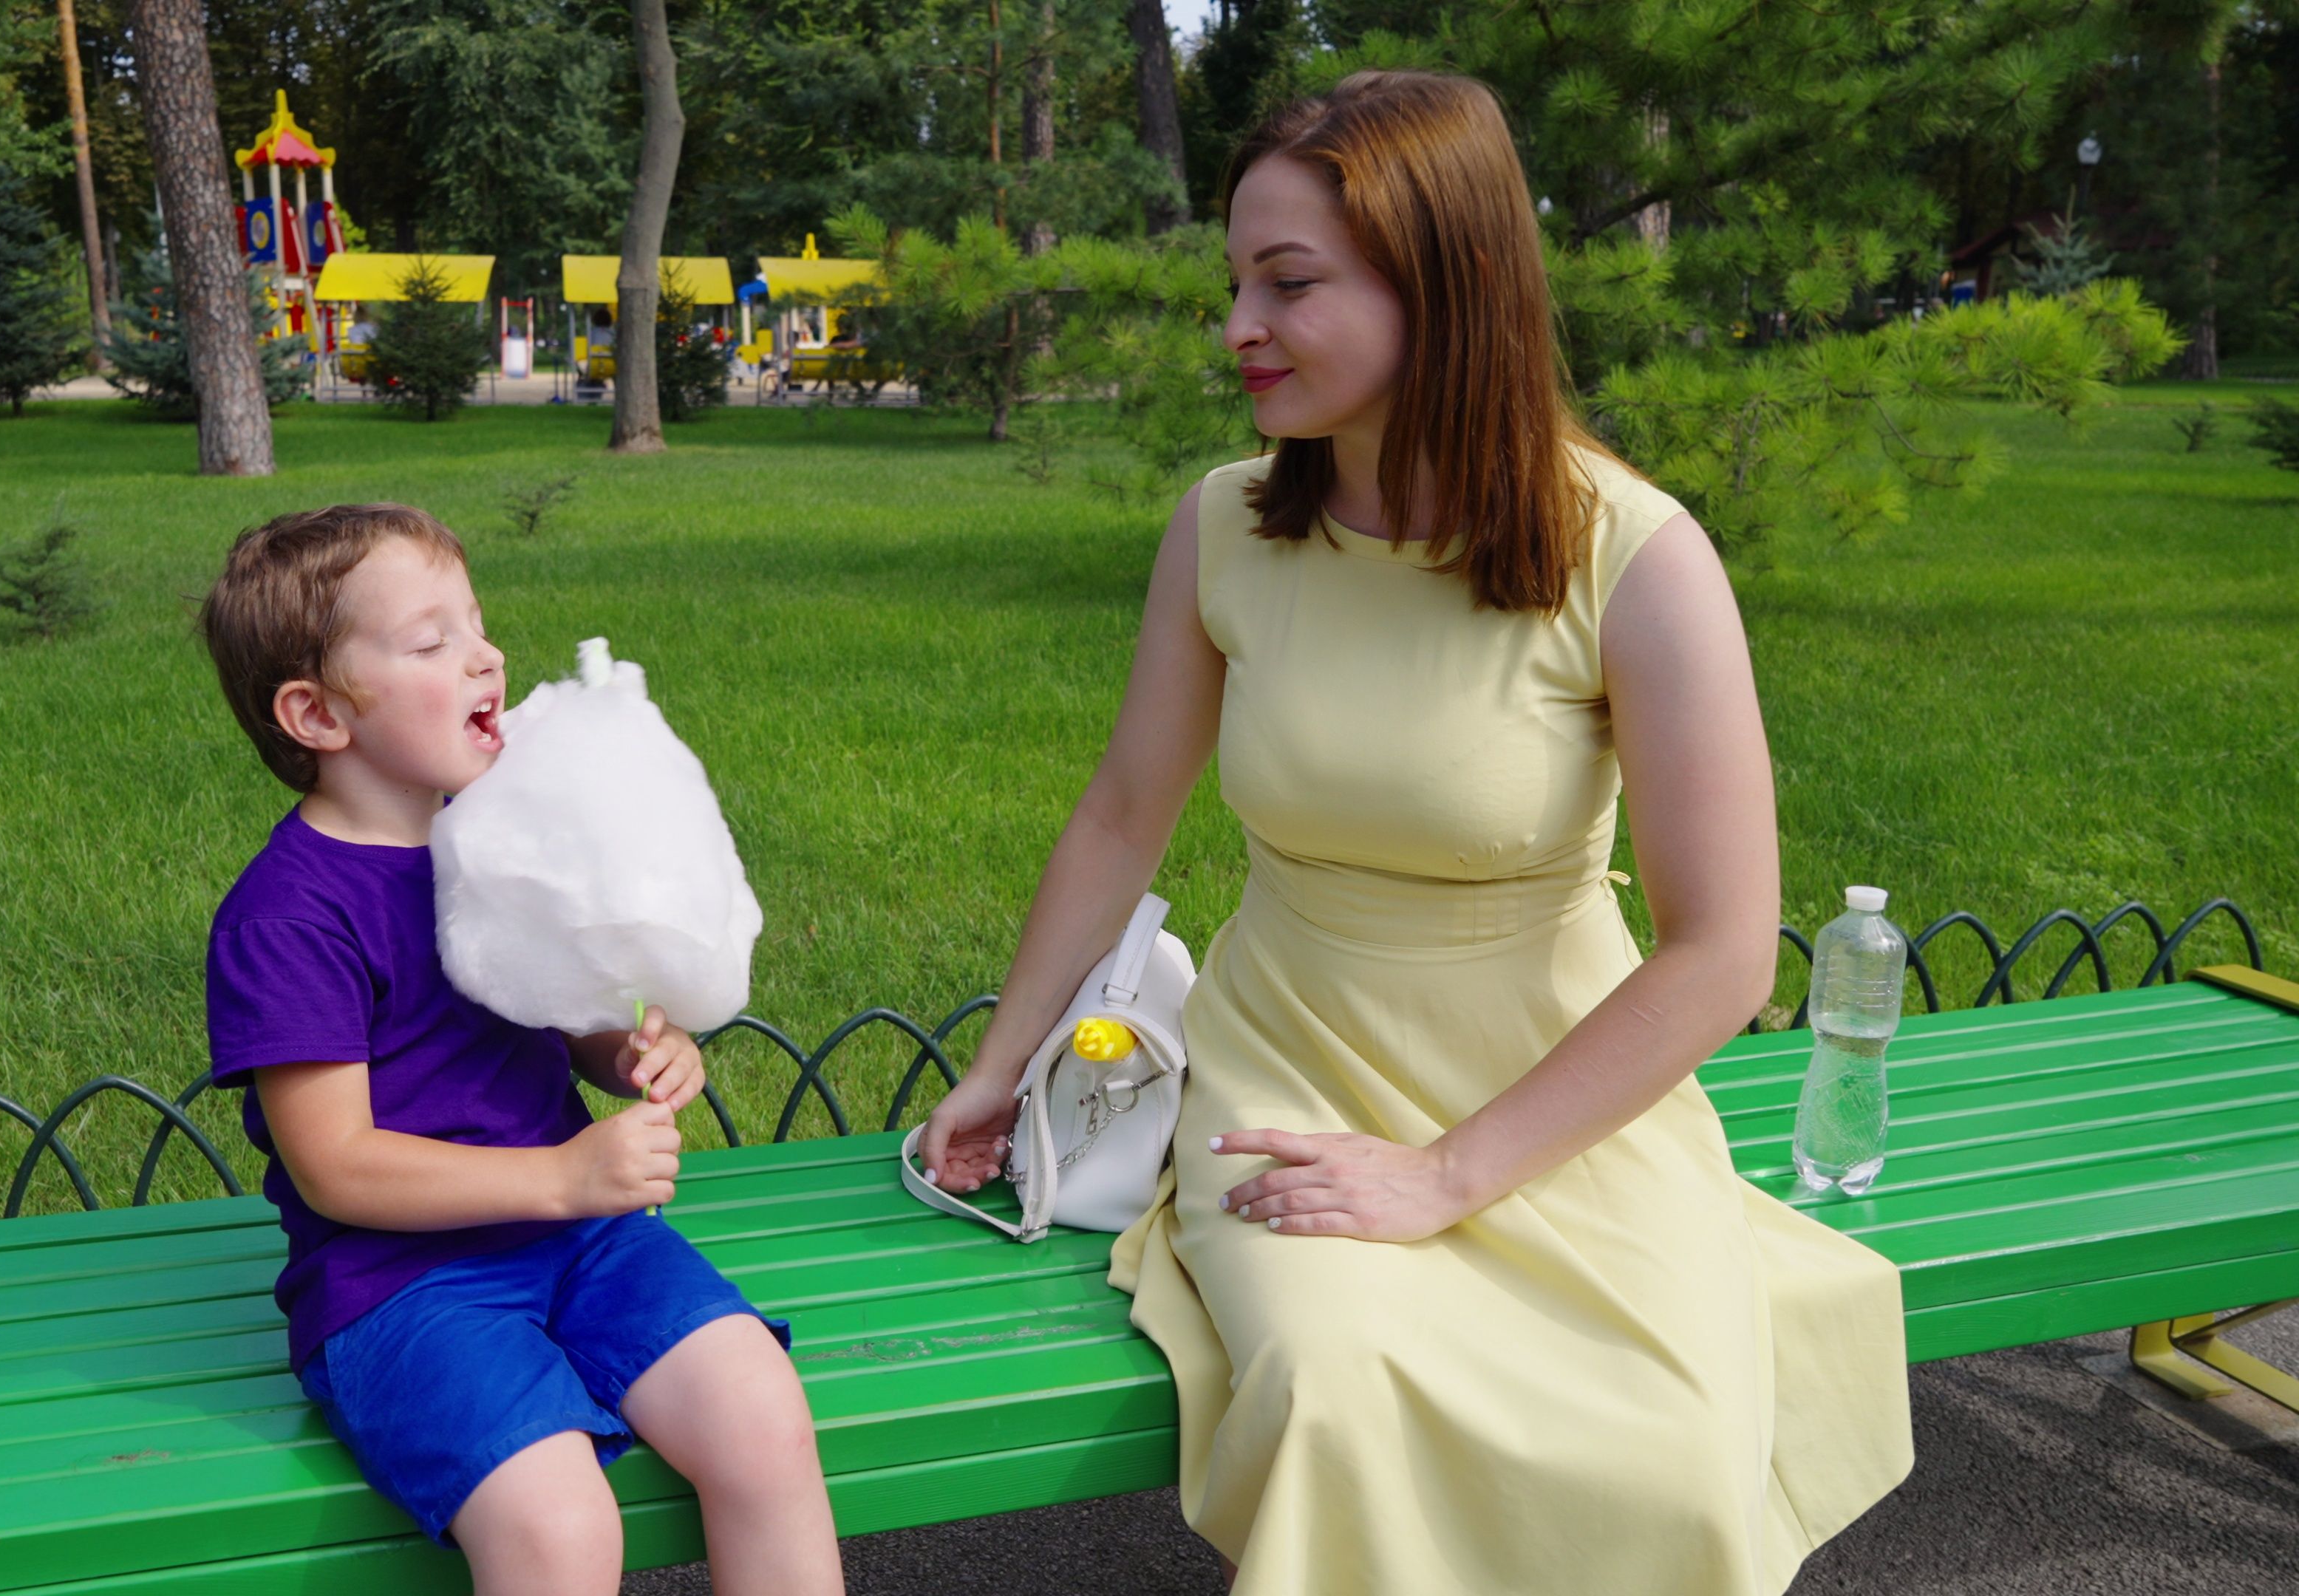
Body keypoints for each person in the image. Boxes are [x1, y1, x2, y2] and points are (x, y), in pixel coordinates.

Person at [916, 71, 1912, 1595]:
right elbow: (1124, 814)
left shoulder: (1635, 556)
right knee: (1341, 1390)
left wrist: (1452, 1174)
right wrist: (1000, 1067)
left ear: (1445, 284)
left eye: (1289, 284)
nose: (1237, 324)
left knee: (1668, 1441)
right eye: (1235, 281)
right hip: (1291, 1074)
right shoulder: (1224, 523)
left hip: (1559, 1097)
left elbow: (1722, 953)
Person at [196, 504, 843, 1596]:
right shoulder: (287, 917)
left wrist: (632, 1050)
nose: (486, 654)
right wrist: (559, 1175)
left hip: (584, 1240)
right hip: (402, 1287)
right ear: (315, 713)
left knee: (763, 1416)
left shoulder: (500, 838)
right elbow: (336, 1164)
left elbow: (559, 1015)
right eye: (431, 640)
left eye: (479, 624)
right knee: (559, 1525)